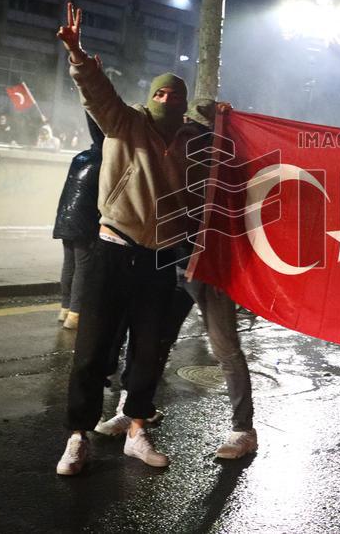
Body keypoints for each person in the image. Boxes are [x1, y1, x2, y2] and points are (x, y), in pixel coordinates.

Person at [54, 2, 199, 476]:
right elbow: (97, 93)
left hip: (160, 260)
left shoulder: (191, 140)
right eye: (160, 97)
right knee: (92, 351)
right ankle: (78, 437)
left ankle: (136, 429)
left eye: (174, 100)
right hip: (112, 251)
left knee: (148, 352)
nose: (166, 105)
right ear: (149, 98)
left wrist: (225, 119)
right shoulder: (123, 121)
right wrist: (77, 54)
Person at [94, 101, 258, 460]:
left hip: (210, 267)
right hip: (171, 260)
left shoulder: (226, 167)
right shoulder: (172, 156)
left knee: (225, 348)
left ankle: (244, 429)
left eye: (198, 133)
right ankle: (134, 409)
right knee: (151, 343)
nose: (190, 138)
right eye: (187, 131)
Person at [52, 113, 104, 330]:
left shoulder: (81, 157)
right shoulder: (106, 161)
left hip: (66, 218)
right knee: (83, 267)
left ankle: (64, 309)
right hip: (84, 223)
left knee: (69, 264)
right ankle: (76, 313)